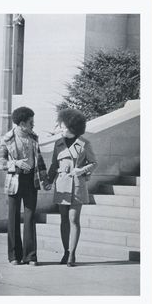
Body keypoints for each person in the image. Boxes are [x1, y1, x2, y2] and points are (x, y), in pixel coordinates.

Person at [46, 108, 97, 267]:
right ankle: (65, 251)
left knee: (74, 219)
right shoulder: (58, 144)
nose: (61, 128)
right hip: (62, 184)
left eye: (64, 126)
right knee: (63, 220)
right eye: (61, 126)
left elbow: (94, 163)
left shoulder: (84, 144)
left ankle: (72, 254)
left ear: (73, 127)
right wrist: (48, 180)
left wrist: (81, 170)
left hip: (76, 185)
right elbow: (54, 164)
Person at [0, 106, 48, 266]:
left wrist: (45, 180)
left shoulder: (34, 137)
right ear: (21, 123)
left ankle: (30, 256)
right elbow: (1, 163)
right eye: (30, 122)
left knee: (30, 217)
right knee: (12, 218)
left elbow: (39, 160)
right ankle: (14, 256)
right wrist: (16, 163)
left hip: (31, 181)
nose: (33, 125)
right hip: (14, 181)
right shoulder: (7, 139)